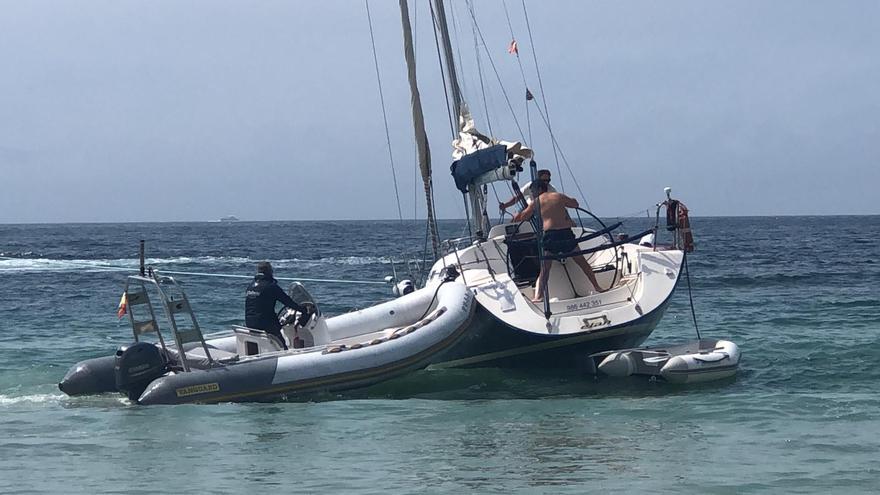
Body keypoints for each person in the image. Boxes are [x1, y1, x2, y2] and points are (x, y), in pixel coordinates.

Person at [513, 182, 605, 302]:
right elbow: (575, 204)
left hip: (551, 236)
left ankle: (538, 296)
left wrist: (517, 215)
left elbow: (524, 217)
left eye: (533, 191)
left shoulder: (536, 202)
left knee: (545, 269)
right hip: (566, 233)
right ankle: (597, 287)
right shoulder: (559, 196)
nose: (533, 194)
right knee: (582, 262)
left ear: (539, 189)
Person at [245, 261, 312, 350]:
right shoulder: (271, 286)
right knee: (280, 341)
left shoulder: (251, 286)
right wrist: (303, 310)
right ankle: (284, 351)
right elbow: (287, 301)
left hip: (250, 322)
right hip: (265, 323)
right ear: (269, 272)